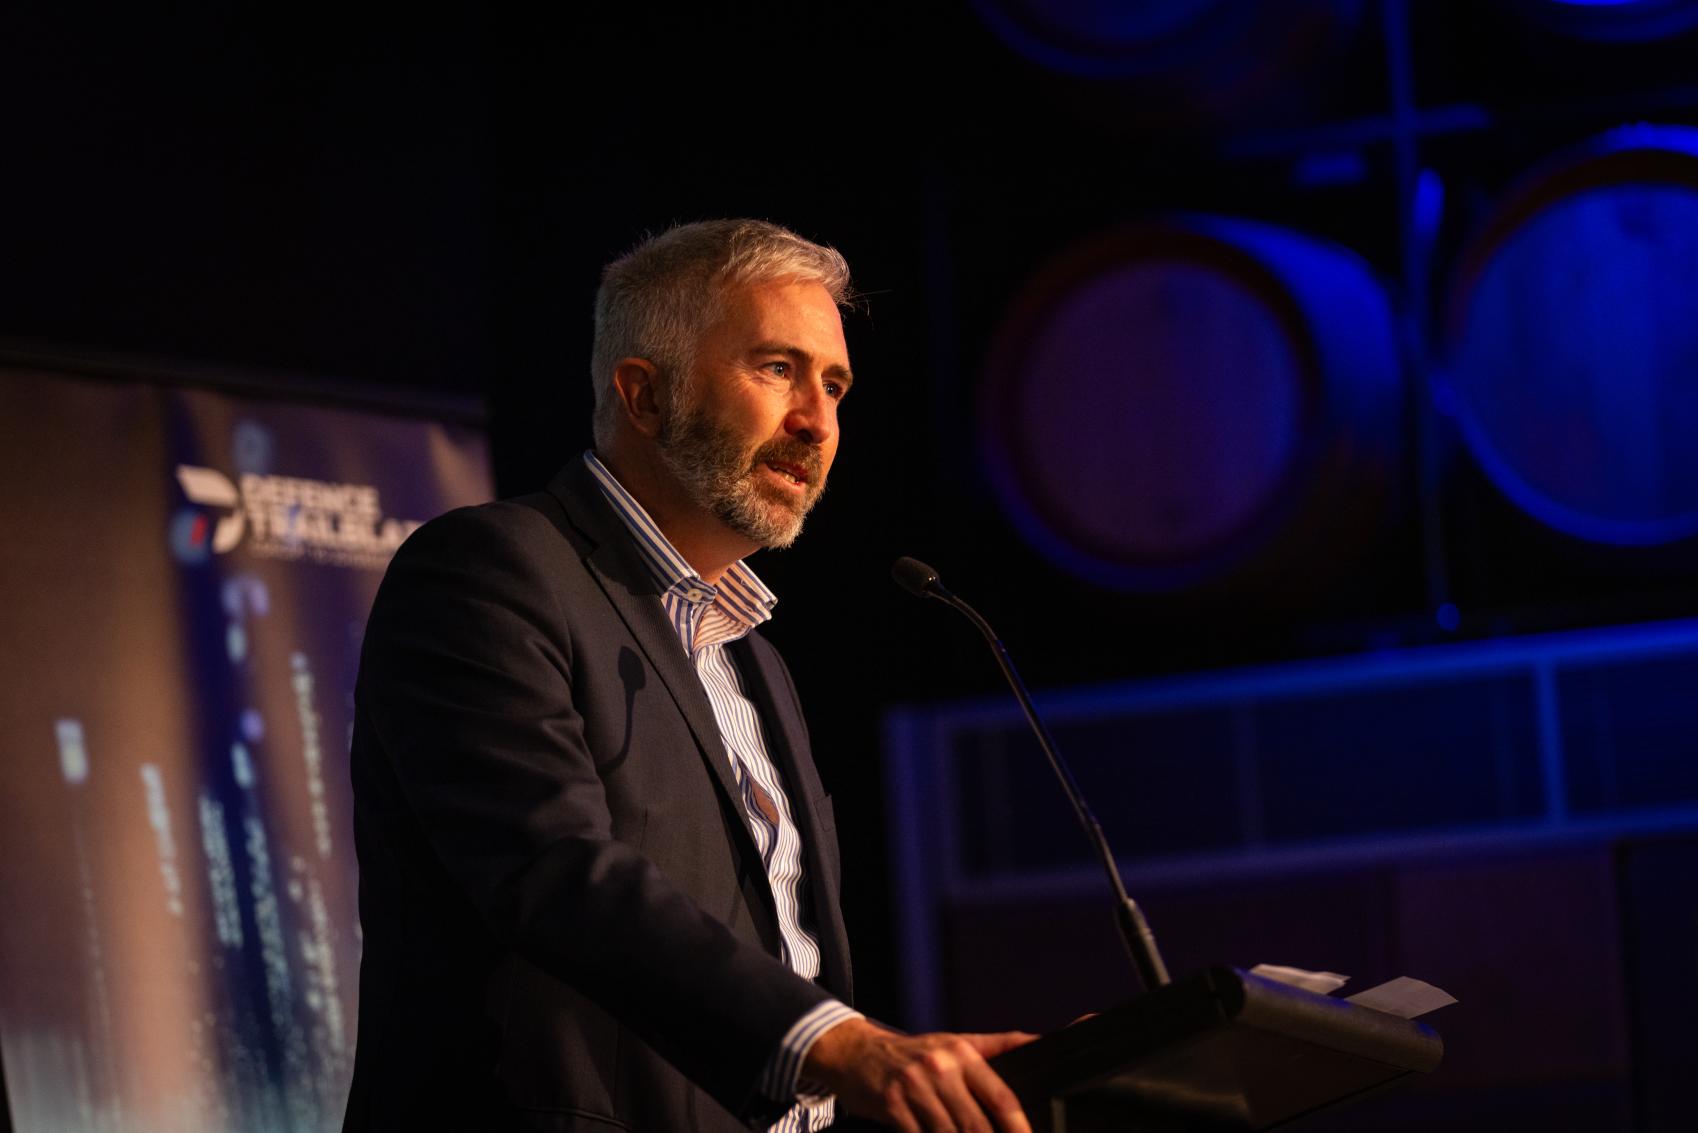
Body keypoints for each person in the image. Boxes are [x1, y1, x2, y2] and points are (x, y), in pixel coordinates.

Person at [343, 218, 1035, 1133]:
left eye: (835, 385)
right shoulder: (489, 570)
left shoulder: (760, 661)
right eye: (777, 369)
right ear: (644, 394)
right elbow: (553, 869)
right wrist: (847, 1046)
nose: (817, 422)